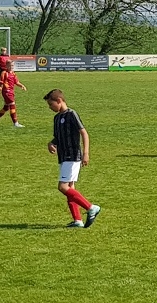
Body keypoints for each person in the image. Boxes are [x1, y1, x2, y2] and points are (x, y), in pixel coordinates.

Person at [44, 89, 101, 228]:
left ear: (59, 101)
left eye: (51, 104)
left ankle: (91, 207)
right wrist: (51, 143)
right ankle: (77, 220)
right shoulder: (57, 118)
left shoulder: (71, 114)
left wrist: (86, 153)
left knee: (62, 187)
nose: (50, 108)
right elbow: (58, 137)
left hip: (73, 155)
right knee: (70, 187)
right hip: (63, 156)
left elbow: (84, 133)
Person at [0, 60, 27, 127]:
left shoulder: (13, 73)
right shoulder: (4, 73)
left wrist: (22, 85)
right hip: (6, 92)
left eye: (12, 65)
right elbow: (0, 84)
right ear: (6, 66)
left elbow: (16, 82)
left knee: (6, 107)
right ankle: (15, 123)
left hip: (11, 92)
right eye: (10, 65)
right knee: (12, 105)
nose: (11, 67)